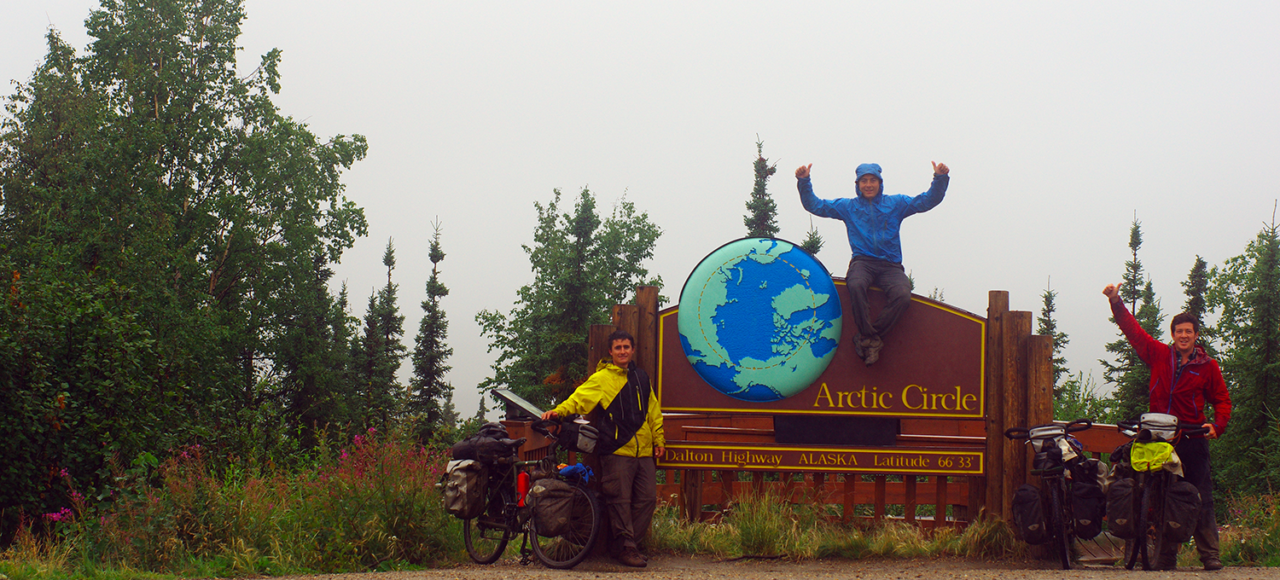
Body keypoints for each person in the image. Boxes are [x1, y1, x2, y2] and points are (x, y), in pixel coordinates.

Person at [1103, 283, 1232, 571]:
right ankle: (1165, 556)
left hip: (1192, 437)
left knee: (1199, 495)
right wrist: (1116, 302)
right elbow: (1134, 332)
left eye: (1189, 331)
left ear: (1196, 336)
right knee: (1160, 494)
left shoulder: (1207, 366)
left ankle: (1210, 554)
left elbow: (1222, 400)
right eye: (1179, 331)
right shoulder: (1159, 354)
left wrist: (1218, 425)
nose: (1184, 335)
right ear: (1172, 335)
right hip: (1159, 437)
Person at [795, 161, 949, 364]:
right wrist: (804, 181)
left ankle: (868, 337)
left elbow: (927, 201)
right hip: (863, 262)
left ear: (880, 183)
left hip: (890, 265)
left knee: (903, 295)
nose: (868, 185)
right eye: (864, 181)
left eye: (873, 180)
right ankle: (871, 339)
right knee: (856, 284)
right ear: (858, 185)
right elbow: (815, 205)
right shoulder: (848, 207)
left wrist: (940, 178)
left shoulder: (896, 203)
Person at [540, 329, 665, 568]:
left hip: (644, 451)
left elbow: (653, 410)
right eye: (618, 348)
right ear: (611, 351)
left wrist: (658, 439)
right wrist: (559, 411)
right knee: (619, 501)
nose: (622, 351)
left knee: (648, 499)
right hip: (616, 451)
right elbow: (580, 398)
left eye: (626, 347)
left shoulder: (641, 377)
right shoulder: (602, 378)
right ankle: (627, 548)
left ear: (632, 350)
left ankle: (626, 545)